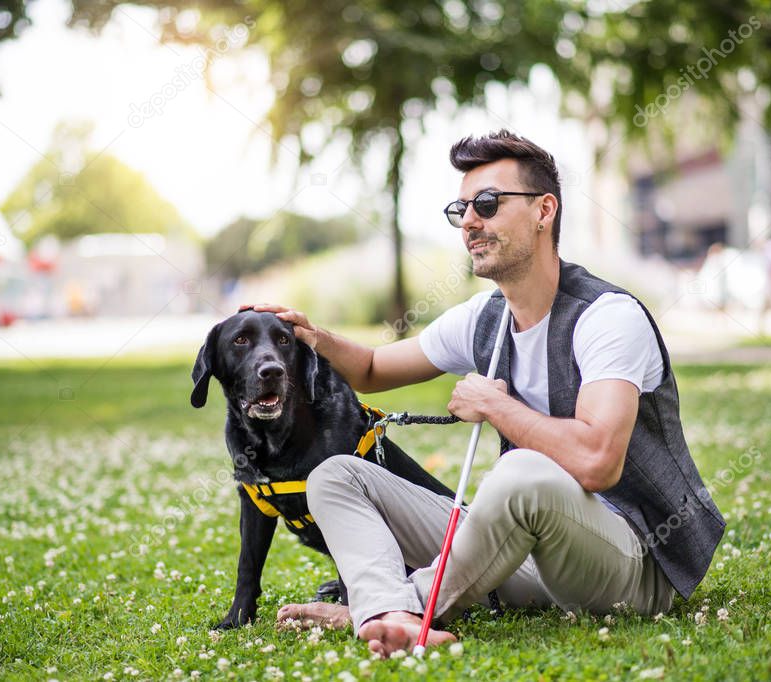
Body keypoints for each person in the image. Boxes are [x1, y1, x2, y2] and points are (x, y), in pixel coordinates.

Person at [248, 130, 725, 657]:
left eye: (489, 204)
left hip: (631, 567)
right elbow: (373, 367)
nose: (470, 221)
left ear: (545, 211)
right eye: (462, 209)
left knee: (520, 472)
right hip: (527, 554)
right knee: (335, 476)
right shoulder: (486, 316)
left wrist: (496, 406)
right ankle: (386, 612)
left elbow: (597, 462)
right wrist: (316, 338)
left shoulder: (607, 317)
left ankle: (403, 604)